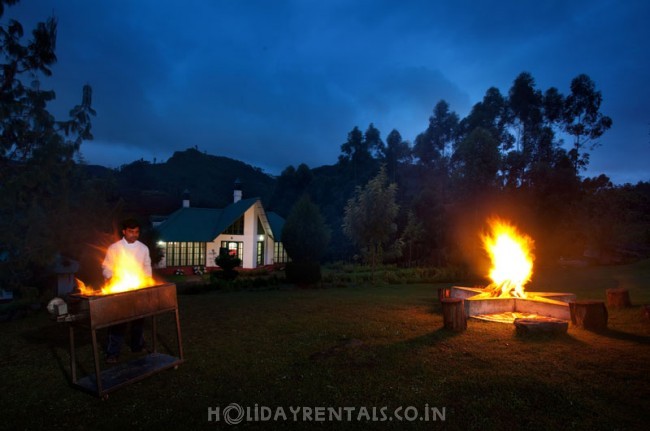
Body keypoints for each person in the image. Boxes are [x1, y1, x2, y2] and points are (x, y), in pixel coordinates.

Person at [103, 218, 152, 363]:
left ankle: (136, 346)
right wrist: (110, 277)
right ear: (124, 232)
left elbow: (147, 267)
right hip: (120, 289)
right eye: (131, 232)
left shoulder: (143, 248)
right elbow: (106, 266)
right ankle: (113, 353)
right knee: (118, 321)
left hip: (138, 289)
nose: (134, 234)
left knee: (139, 320)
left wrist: (148, 282)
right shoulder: (115, 248)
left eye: (137, 232)